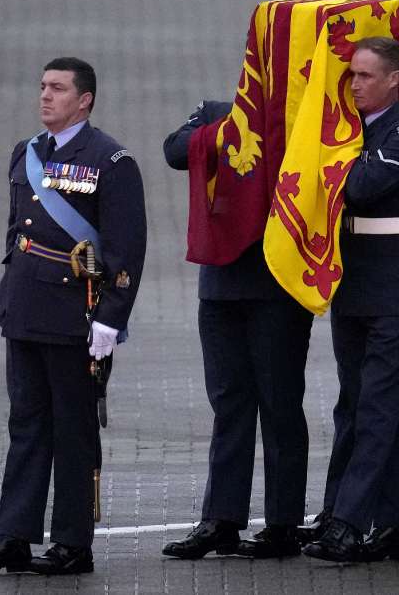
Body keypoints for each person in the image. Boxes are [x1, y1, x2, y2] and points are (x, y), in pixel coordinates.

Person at [0, 57, 146, 575]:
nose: (45, 96)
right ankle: (13, 536)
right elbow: (16, 232)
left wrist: (111, 316)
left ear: (84, 99)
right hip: (23, 307)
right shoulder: (27, 153)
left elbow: (128, 247)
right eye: (43, 87)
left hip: (73, 314)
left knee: (73, 430)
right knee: (26, 425)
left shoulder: (111, 160)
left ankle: (71, 543)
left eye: (58, 89)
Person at [301, 37, 399, 563]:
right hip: (355, 283)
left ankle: (348, 523)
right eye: (351, 75)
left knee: (377, 410)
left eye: (364, 76)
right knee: (356, 408)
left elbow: (358, 185)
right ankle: (395, 524)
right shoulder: (355, 130)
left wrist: (332, 153)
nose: (354, 84)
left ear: (393, 80)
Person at [159, 98, 313, 560]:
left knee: (280, 405)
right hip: (221, 284)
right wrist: (228, 131)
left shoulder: (298, 116)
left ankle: (283, 523)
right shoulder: (217, 112)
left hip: (277, 287)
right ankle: (222, 519)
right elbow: (174, 149)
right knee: (229, 405)